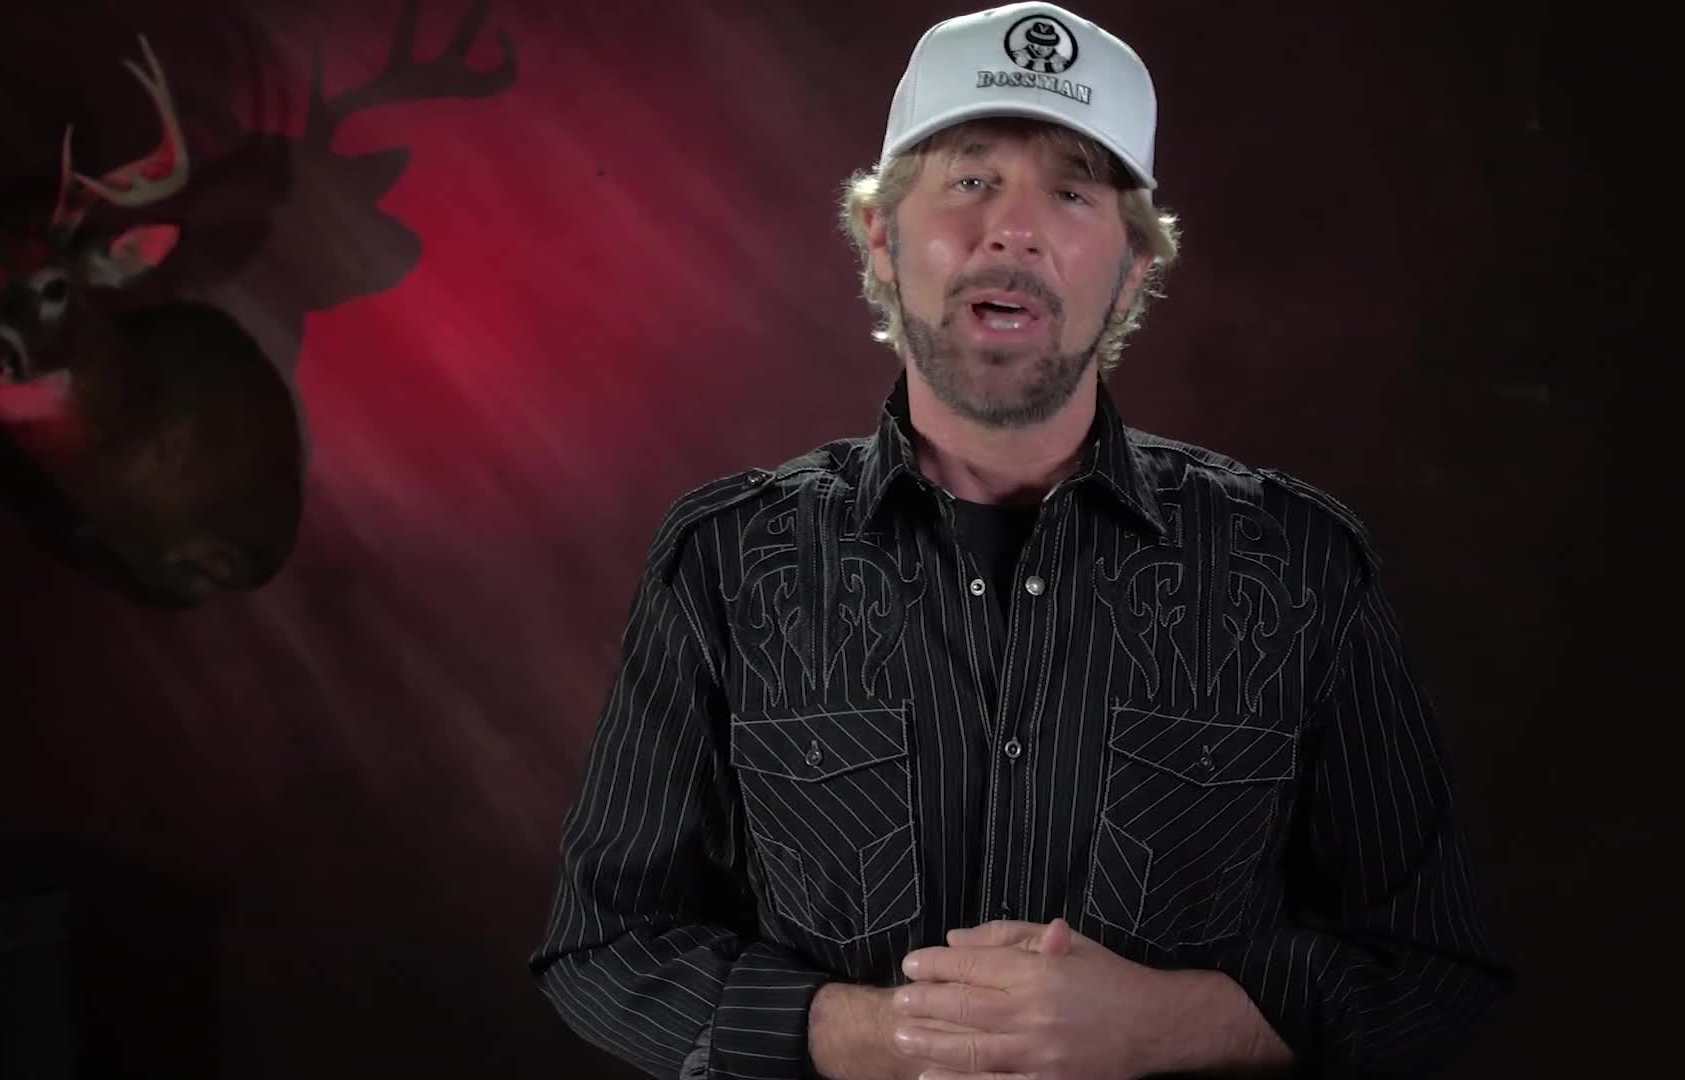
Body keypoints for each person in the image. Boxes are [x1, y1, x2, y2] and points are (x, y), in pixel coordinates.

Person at [528, 4, 1514, 1078]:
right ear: (880, 238)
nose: (1014, 230)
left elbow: (1433, 968)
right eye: (969, 178)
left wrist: (1164, 1026)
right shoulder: (724, 564)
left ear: (1131, 270)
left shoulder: (1301, 568)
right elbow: (606, 944)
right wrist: (877, 1036)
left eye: (1073, 191)